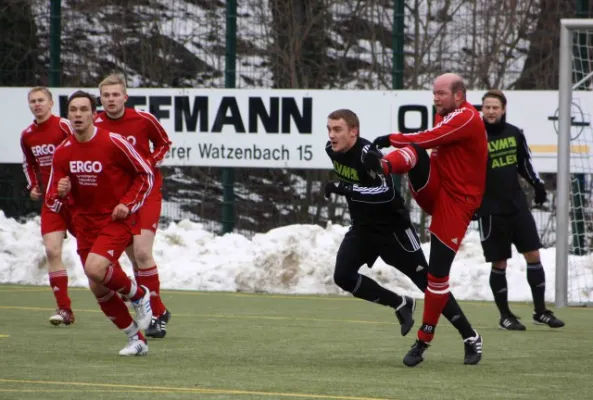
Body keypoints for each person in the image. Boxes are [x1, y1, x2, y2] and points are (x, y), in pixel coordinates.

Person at [325, 108, 482, 366]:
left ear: (354, 131)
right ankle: (400, 303)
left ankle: (470, 336)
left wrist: (346, 188)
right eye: (329, 129)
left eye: (337, 129)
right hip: (363, 229)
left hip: (393, 230)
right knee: (342, 276)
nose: (332, 135)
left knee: (429, 282)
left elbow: (384, 193)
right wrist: (350, 191)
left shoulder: (367, 154)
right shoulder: (331, 151)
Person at [367, 73, 487, 367]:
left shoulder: (468, 117)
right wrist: (390, 156)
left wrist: (389, 138)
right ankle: (383, 167)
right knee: (416, 153)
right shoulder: (445, 114)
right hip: (436, 189)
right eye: (434, 93)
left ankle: (431, 338)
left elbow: (429, 138)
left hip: (458, 205)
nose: (435, 98)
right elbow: (425, 145)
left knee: (436, 277)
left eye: (441, 93)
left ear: (459, 95)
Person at [46, 90, 154, 356]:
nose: (78, 115)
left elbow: (145, 175)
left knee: (95, 268)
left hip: (116, 220)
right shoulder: (63, 152)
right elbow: (53, 200)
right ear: (68, 115)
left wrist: (127, 204)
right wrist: (61, 192)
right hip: (85, 225)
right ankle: (135, 338)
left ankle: (138, 294)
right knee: (98, 286)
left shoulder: (113, 142)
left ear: (95, 115)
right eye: (73, 110)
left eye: (84, 110)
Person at [478, 89, 564, 330]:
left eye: (495, 107)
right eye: (487, 107)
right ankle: (505, 316)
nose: (491, 111)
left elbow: (525, 163)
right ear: (481, 110)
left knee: (533, 255)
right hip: (489, 209)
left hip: (516, 205)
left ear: (503, 109)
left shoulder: (514, 133)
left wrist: (537, 185)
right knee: (500, 262)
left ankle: (540, 312)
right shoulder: (474, 135)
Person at [94, 73, 172, 339]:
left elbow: (164, 143)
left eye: (116, 94)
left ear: (125, 97)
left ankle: (157, 313)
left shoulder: (143, 119)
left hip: (146, 192)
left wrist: (150, 161)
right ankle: (154, 310)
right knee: (130, 257)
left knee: (141, 252)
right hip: (118, 198)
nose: (111, 99)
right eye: (106, 95)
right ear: (101, 99)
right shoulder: (96, 123)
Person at [20, 87, 76, 326]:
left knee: (94, 252)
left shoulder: (64, 126)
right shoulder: (28, 135)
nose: (37, 104)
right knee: (52, 251)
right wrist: (33, 186)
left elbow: (81, 150)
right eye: (32, 101)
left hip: (77, 200)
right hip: (52, 202)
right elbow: (29, 164)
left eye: (41, 100)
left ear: (51, 103)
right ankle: (64, 309)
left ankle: (120, 290)